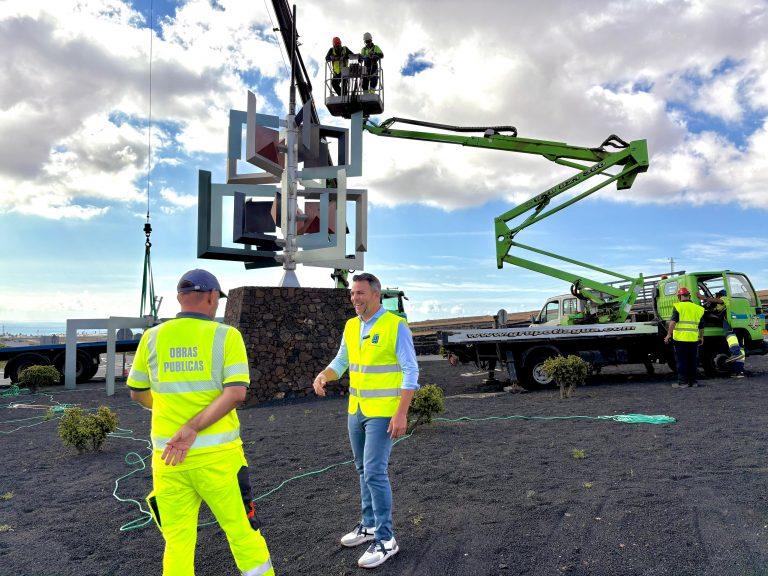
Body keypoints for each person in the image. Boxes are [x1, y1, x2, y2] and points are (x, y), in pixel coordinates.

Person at [127, 269, 274, 576]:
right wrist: (192, 427)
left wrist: (171, 414)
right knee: (243, 534)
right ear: (211, 297)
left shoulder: (152, 338)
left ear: (180, 299)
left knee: (177, 543)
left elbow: (138, 392)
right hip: (219, 461)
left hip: (168, 460)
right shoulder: (226, 336)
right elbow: (235, 393)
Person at [312, 272, 419, 569]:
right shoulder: (350, 326)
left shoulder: (395, 326)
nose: (354, 298)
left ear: (375, 294)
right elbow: (341, 361)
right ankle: (369, 525)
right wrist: (324, 375)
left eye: (360, 293)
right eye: (352, 293)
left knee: (374, 471)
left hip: (383, 412)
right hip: (355, 409)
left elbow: (411, 372)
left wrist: (401, 413)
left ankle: (386, 539)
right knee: (362, 469)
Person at [664, 286, 705, 388]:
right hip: (693, 339)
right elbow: (701, 326)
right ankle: (694, 382)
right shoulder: (699, 309)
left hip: (680, 340)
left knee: (682, 361)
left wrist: (669, 334)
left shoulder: (678, 306)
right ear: (689, 296)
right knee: (693, 361)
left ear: (679, 296)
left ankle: (683, 383)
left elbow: (673, 322)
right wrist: (701, 337)